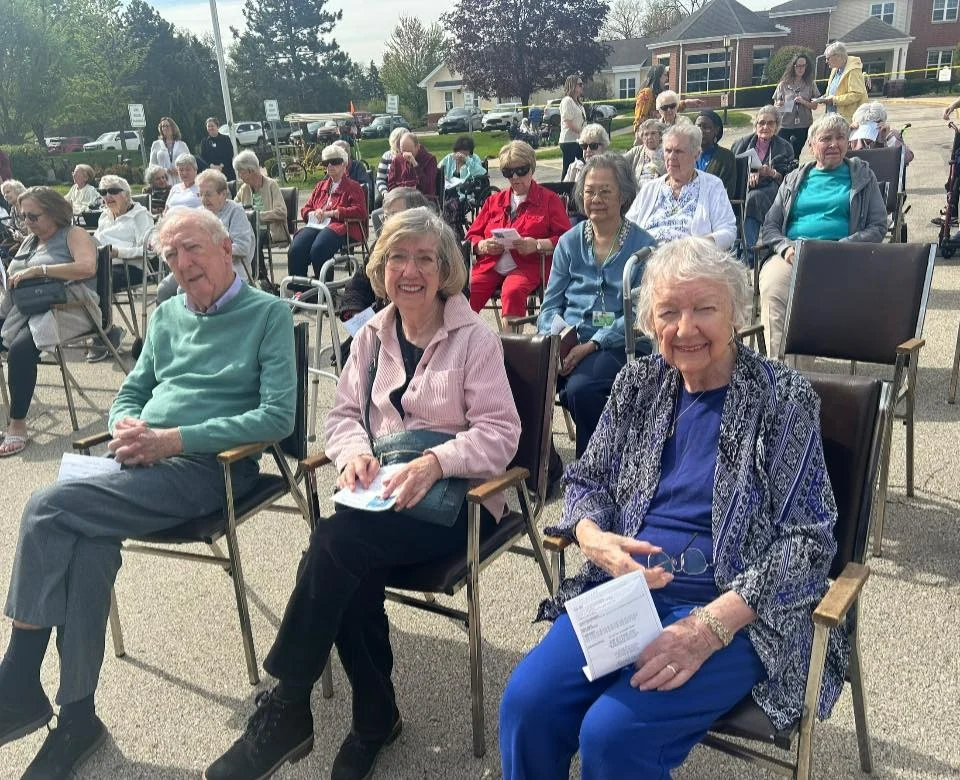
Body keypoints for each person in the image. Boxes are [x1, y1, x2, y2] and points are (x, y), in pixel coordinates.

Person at [500, 235, 847, 779]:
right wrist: (592, 536)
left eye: (704, 309)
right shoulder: (638, 382)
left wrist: (708, 627)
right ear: (649, 321)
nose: (685, 329)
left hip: (736, 607)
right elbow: (588, 479)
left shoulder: (783, 396)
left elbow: (808, 541)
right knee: (527, 706)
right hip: (624, 591)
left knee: (612, 735)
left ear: (735, 312)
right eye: (668, 312)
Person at [204, 207, 521, 780]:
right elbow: (344, 415)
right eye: (398, 257)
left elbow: (501, 434)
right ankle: (373, 717)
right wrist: (354, 454)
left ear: (446, 268)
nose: (411, 270)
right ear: (381, 269)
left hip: (455, 506)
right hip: (378, 499)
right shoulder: (371, 334)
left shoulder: (475, 338)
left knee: (331, 548)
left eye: (425, 258)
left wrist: (435, 461)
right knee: (343, 559)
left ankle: (290, 705)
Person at [0, 206, 295, 777]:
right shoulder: (165, 316)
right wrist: (126, 426)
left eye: (193, 250)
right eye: (171, 256)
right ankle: (78, 717)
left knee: (45, 505)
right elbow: (131, 391)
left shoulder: (268, 314)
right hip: (139, 462)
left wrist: (175, 439)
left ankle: (17, 676)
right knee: (84, 548)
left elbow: (277, 416)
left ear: (225, 247)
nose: (183, 265)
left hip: (208, 470)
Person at [538, 154, 656, 457]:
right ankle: (545, 467)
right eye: (589, 191)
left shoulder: (643, 247)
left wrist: (592, 344)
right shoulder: (569, 242)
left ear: (624, 196)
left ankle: (593, 469)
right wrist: (554, 343)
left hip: (619, 343)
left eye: (605, 191)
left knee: (581, 390)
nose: (596, 199)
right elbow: (550, 305)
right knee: (518, 379)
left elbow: (639, 315)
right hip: (568, 341)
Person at [759, 114, 886, 358]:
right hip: (794, 254)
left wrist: (841, 247)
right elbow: (770, 226)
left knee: (811, 297)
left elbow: (878, 225)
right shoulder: (793, 179)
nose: (834, 144)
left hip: (840, 257)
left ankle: (803, 380)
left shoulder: (862, 176)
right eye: (825, 139)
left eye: (840, 138)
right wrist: (785, 249)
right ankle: (780, 371)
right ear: (811, 146)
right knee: (773, 286)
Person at [0, 187, 99, 457]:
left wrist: (39, 270)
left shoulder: (73, 234)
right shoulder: (30, 241)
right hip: (27, 309)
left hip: (70, 308)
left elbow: (88, 267)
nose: (27, 223)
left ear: (54, 211)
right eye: (23, 217)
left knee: (21, 350)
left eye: (33, 216)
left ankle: (17, 425)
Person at [467, 141, 571, 319]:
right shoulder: (494, 201)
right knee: (465, 292)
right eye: (508, 172)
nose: (515, 177)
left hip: (528, 266)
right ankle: (461, 340)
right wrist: (482, 246)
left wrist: (538, 244)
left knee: (512, 291)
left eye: (521, 170)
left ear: (531, 168)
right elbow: (471, 236)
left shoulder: (549, 200)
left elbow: (567, 239)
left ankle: (511, 343)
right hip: (491, 265)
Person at [626, 124, 737, 250]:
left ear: (696, 155)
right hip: (648, 260)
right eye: (668, 150)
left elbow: (728, 231)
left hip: (692, 261)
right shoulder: (650, 189)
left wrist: (696, 247)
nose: (672, 157)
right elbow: (627, 229)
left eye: (678, 151)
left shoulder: (712, 186)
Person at [90, 175, 154, 362]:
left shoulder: (140, 215)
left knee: (98, 281)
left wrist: (118, 252)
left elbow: (148, 252)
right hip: (104, 266)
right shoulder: (104, 216)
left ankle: (105, 333)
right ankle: (107, 331)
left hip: (132, 268)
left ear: (126, 194)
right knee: (79, 281)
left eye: (113, 191)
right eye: (103, 192)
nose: (108, 196)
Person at [288, 144, 368, 279]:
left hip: (342, 227)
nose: (330, 166)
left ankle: (326, 290)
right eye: (326, 163)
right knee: (296, 248)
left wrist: (334, 213)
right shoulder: (320, 186)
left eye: (335, 162)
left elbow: (361, 212)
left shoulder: (353, 187)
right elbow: (306, 209)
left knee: (319, 248)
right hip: (317, 225)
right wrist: (313, 213)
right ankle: (299, 289)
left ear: (344, 164)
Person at [730, 106, 796, 263]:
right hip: (744, 188)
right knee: (740, 198)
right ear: (756, 125)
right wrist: (749, 174)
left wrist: (772, 173)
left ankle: (748, 253)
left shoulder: (785, 146)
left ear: (777, 126)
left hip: (771, 188)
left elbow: (790, 178)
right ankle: (736, 249)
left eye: (770, 123)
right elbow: (733, 170)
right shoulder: (741, 143)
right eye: (761, 123)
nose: (765, 127)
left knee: (754, 198)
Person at [233, 149, 289, 277]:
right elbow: (235, 207)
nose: (239, 175)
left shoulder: (271, 185)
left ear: (251, 170)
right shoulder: (244, 188)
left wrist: (256, 217)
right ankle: (245, 275)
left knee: (252, 237)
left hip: (271, 230)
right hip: (251, 229)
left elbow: (281, 212)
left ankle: (260, 275)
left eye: (241, 171)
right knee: (241, 238)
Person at [197, 169, 254, 280]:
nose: (204, 199)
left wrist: (211, 251)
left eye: (208, 195)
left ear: (223, 194)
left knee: (185, 289)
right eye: (200, 195)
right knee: (166, 289)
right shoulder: (199, 213)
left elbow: (242, 247)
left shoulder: (235, 211)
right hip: (201, 267)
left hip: (231, 269)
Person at [773, 53, 821, 159]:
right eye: (798, 66)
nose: (800, 69)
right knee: (782, 154)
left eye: (803, 65)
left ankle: (794, 174)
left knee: (795, 154)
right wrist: (779, 105)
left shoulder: (810, 84)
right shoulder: (783, 84)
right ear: (793, 66)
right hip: (785, 125)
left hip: (803, 125)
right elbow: (776, 106)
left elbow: (815, 106)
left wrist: (804, 102)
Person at [439, 135, 488, 236]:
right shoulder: (449, 159)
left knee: (450, 206)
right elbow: (438, 171)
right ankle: (451, 231)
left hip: (466, 193)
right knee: (440, 205)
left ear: (470, 153)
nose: (461, 156)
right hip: (448, 192)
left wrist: (467, 161)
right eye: (459, 153)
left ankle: (455, 232)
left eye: (465, 154)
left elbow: (482, 172)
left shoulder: (473, 159)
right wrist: (444, 177)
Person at [816, 42, 867, 124]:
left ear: (838, 56)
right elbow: (835, 91)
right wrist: (824, 98)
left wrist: (834, 100)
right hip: (833, 117)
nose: (826, 61)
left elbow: (857, 94)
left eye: (828, 58)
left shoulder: (853, 70)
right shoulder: (835, 70)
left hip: (847, 120)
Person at [849, 101, 914, 164]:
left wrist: (889, 137)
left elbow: (907, 157)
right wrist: (846, 134)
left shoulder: (891, 134)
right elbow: (841, 159)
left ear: (881, 123)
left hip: (885, 173)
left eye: (872, 125)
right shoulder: (854, 138)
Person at [695, 111, 736, 196]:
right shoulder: (687, 155)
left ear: (716, 131)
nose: (701, 131)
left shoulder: (726, 157)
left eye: (706, 128)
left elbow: (728, 191)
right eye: (698, 127)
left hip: (715, 205)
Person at [387, 132, 438, 200]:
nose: (406, 155)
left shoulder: (430, 160)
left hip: (422, 200)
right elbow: (391, 185)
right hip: (400, 199)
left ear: (417, 147)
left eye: (410, 151)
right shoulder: (397, 160)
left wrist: (415, 164)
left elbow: (427, 187)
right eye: (403, 151)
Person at [559, 75, 587, 180]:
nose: (582, 86)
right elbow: (567, 122)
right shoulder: (567, 101)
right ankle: (562, 193)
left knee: (583, 165)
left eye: (582, 84)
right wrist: (581, 132)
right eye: (580, 84)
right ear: (573, 86)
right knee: (567, 168)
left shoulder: (579, 103)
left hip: (578, 140)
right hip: (569, 141)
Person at [149, 117, 191, 185]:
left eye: (167, 126)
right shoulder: (156, 144)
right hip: (163, 182)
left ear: (173, 127)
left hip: (180, 181)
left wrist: (180, 170)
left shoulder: (182, 145)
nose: (165, 128)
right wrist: (165, 170)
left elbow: (190, 163)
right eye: (163, 126)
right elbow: (152, 165)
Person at [624, 119, 666, 186]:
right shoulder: (637, 150)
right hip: (639, 192)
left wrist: (652, 155)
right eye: (646, 134)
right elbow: (619, 161)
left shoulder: (667, 150)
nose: (649, 137)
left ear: (660, 135)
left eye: (653, 133)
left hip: (659, 190)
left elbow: (666, 172)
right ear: (642, 138)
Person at [633, 65, 670, 131]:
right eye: (665, 75)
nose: (667, 78)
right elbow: (639, 120)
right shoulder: (647, 93)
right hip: (648, 136)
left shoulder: (659, 94)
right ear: (657, 77)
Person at [375, 127, 407, 202]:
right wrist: (385, 193)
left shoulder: (410, 156)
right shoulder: (387, 156)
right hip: (389, 191)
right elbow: (380, 179)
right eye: (398, 141)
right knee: (378, 201)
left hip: (406, 192)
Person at [199, 117, 235, 182]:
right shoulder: (204, 142)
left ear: (217, 126)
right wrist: (212, 166)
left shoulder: (226, 139)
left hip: (227, 171)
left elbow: (230, 153)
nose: (210, 128)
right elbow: (203, 157)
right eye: (208, 126)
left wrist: (221, 166)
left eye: (212, 126)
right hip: (211, 173)